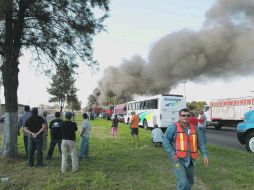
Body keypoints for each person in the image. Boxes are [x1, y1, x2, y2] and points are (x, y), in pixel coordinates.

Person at [163, 108, 209, 190]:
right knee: (183, 181)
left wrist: (205, 155)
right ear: (179, 116)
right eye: (183, 115)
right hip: (178, 159)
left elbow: (201, 143)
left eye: (188, 115)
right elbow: (165, 140)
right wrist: (172, 154)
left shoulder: (195, 129)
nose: (186, 117)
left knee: (190, 180)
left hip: (190, 159)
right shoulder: (173, 127)